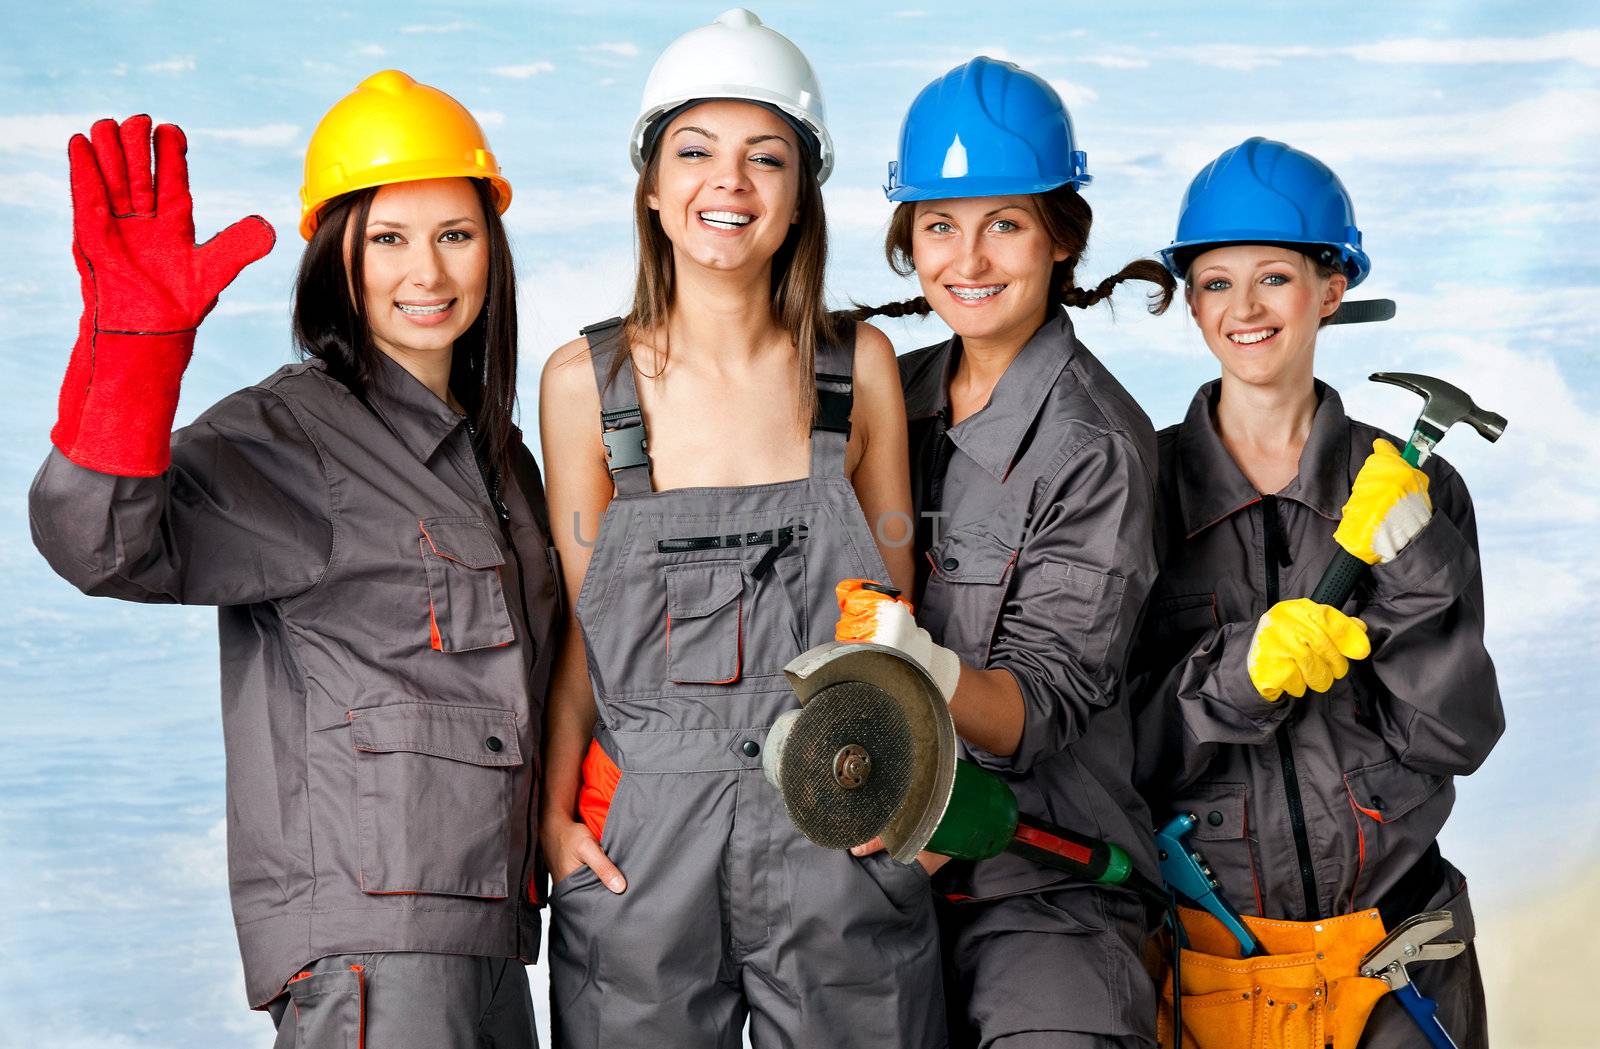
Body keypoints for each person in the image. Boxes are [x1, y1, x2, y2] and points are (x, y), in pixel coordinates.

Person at [29, 71, 559, 1048]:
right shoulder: (294, 439)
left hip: (491, 937)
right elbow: (98, 540)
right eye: (388, 239)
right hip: (371, 948)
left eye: (455, 233)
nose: (427, 272)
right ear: (336, 257)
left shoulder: (501, 459)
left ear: (494, 246)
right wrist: (131, 356)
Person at [536, 9, 945, 1047]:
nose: (730, 184)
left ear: (800, 195)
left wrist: (921, 799)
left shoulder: (858, 374)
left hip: (836, 811)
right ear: (651, 184)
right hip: (645, 840)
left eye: (767, 158)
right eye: (695, 151)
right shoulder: (587, 386)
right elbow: (585, 631)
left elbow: (891, 629)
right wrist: (555, 808)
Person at [1129, 137, 1501, 1048]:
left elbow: (1456, 735)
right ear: (1190, 301)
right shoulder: (1139, 490)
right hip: (1219, 968)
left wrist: (1415, 562)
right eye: (1216, 282)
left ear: (1331, 289)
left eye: (1275, 278)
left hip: (1400, 966)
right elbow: (1120, 760)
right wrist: (1233, 679)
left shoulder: (1413, 492)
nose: (1244, 309)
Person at [850, 56, 1178, 1049]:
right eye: (940, 224)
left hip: (1045, 888)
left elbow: (1036, 712)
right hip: (878, 873)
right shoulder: (881, 399)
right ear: (908, 239)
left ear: (1059, 237)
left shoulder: (1096, 444)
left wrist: (916, 658)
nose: (969, 257)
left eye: (1005, 222)